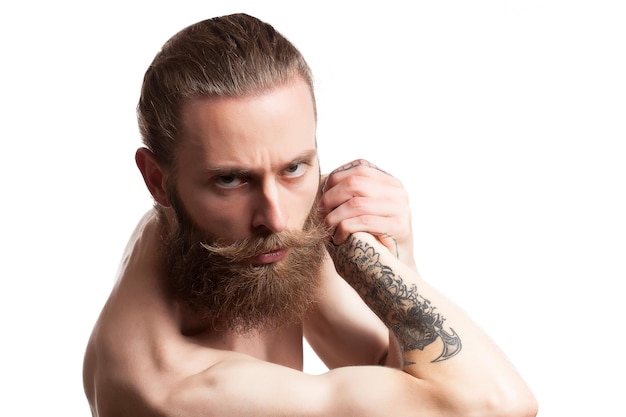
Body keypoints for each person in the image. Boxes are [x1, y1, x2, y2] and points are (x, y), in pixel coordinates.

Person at [82, 12, 538, 417]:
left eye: (293, 168)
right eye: (230, 180)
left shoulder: (245, 247)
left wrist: (395, 259)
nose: (276, 218)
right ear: (158, 180)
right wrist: (397, 271)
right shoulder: (168, 389)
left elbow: (390, 367)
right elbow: (496, 404)